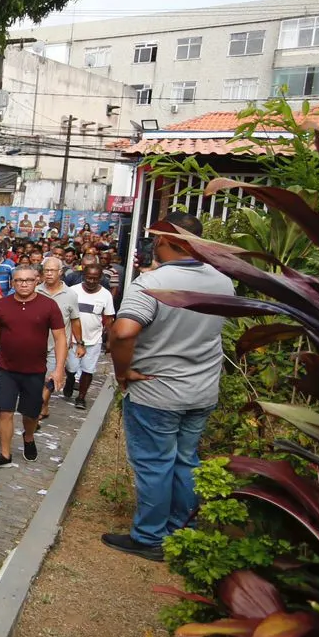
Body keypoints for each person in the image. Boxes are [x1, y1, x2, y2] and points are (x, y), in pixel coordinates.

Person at [104, 214, 234, 561]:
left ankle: (149, 537)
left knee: (155, 463)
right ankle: (182, 532)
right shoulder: (223, 282)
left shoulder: (153, 283)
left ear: (166, 240)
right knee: (186, 460)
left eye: (155, 239)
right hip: (202, 390)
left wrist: (123, 372)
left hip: (158, 393)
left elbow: (123, 331)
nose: (153, 245)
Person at [0, 266, 66, 467]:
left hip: (35, 371)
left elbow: (60, 338)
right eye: (19, 280)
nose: (23, 284)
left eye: (28, 280)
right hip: (6, 369)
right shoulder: (2, 305)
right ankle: (5, 455)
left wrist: (59, 369)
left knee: (30, 413)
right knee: (4, 411)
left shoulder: (49, 306)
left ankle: (29, 437)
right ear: (12, 282)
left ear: (36, 281)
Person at [38, 257, 84, 420]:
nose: (49, 274)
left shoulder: (70, 294)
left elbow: (75, 320)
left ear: (61, 272)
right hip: (36, 343)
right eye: (46, 270)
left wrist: (80, 343)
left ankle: (40, 404)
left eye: (52, 270)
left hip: (58, 344)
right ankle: (43, 405)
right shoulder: (36, 291)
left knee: (51, 376)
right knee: (37, 378)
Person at [67, 263, 116, 409]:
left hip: (94, 339)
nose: (92, 281)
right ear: (84, 277)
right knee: (71, 367)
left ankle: (81, 397)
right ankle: (70, 380)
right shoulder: (72, 291)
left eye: (95, 278)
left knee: (88, 369)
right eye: (89, 278)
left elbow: (109, 319)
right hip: (73, 339)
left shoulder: (106, 295)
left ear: (100, 278)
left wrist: (110, 341)